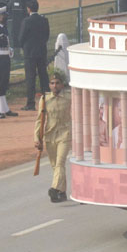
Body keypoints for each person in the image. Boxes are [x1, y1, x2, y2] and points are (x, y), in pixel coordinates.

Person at [34, 69, 72, 203]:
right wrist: (37, 138)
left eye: (57, 83)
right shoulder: (45, 99)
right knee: (55, 166)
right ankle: (62, 192)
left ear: (62, 85)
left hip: (65, 134)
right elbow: (40, 119)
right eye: (52, 83)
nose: (54, 86)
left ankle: (54, 188)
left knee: (60, 163)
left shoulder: (69, 97)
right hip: (50, 136)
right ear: (49, 85)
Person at [18, 0, 50, 111]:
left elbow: (21, 38)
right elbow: (47, 36)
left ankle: (30, 103)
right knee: (43, 76)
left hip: (30, 53)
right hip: (41, 51)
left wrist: (25, 47)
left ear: (28, 9)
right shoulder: (44, 20)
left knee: (30, 78)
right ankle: (47, 101)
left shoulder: (26, 21)